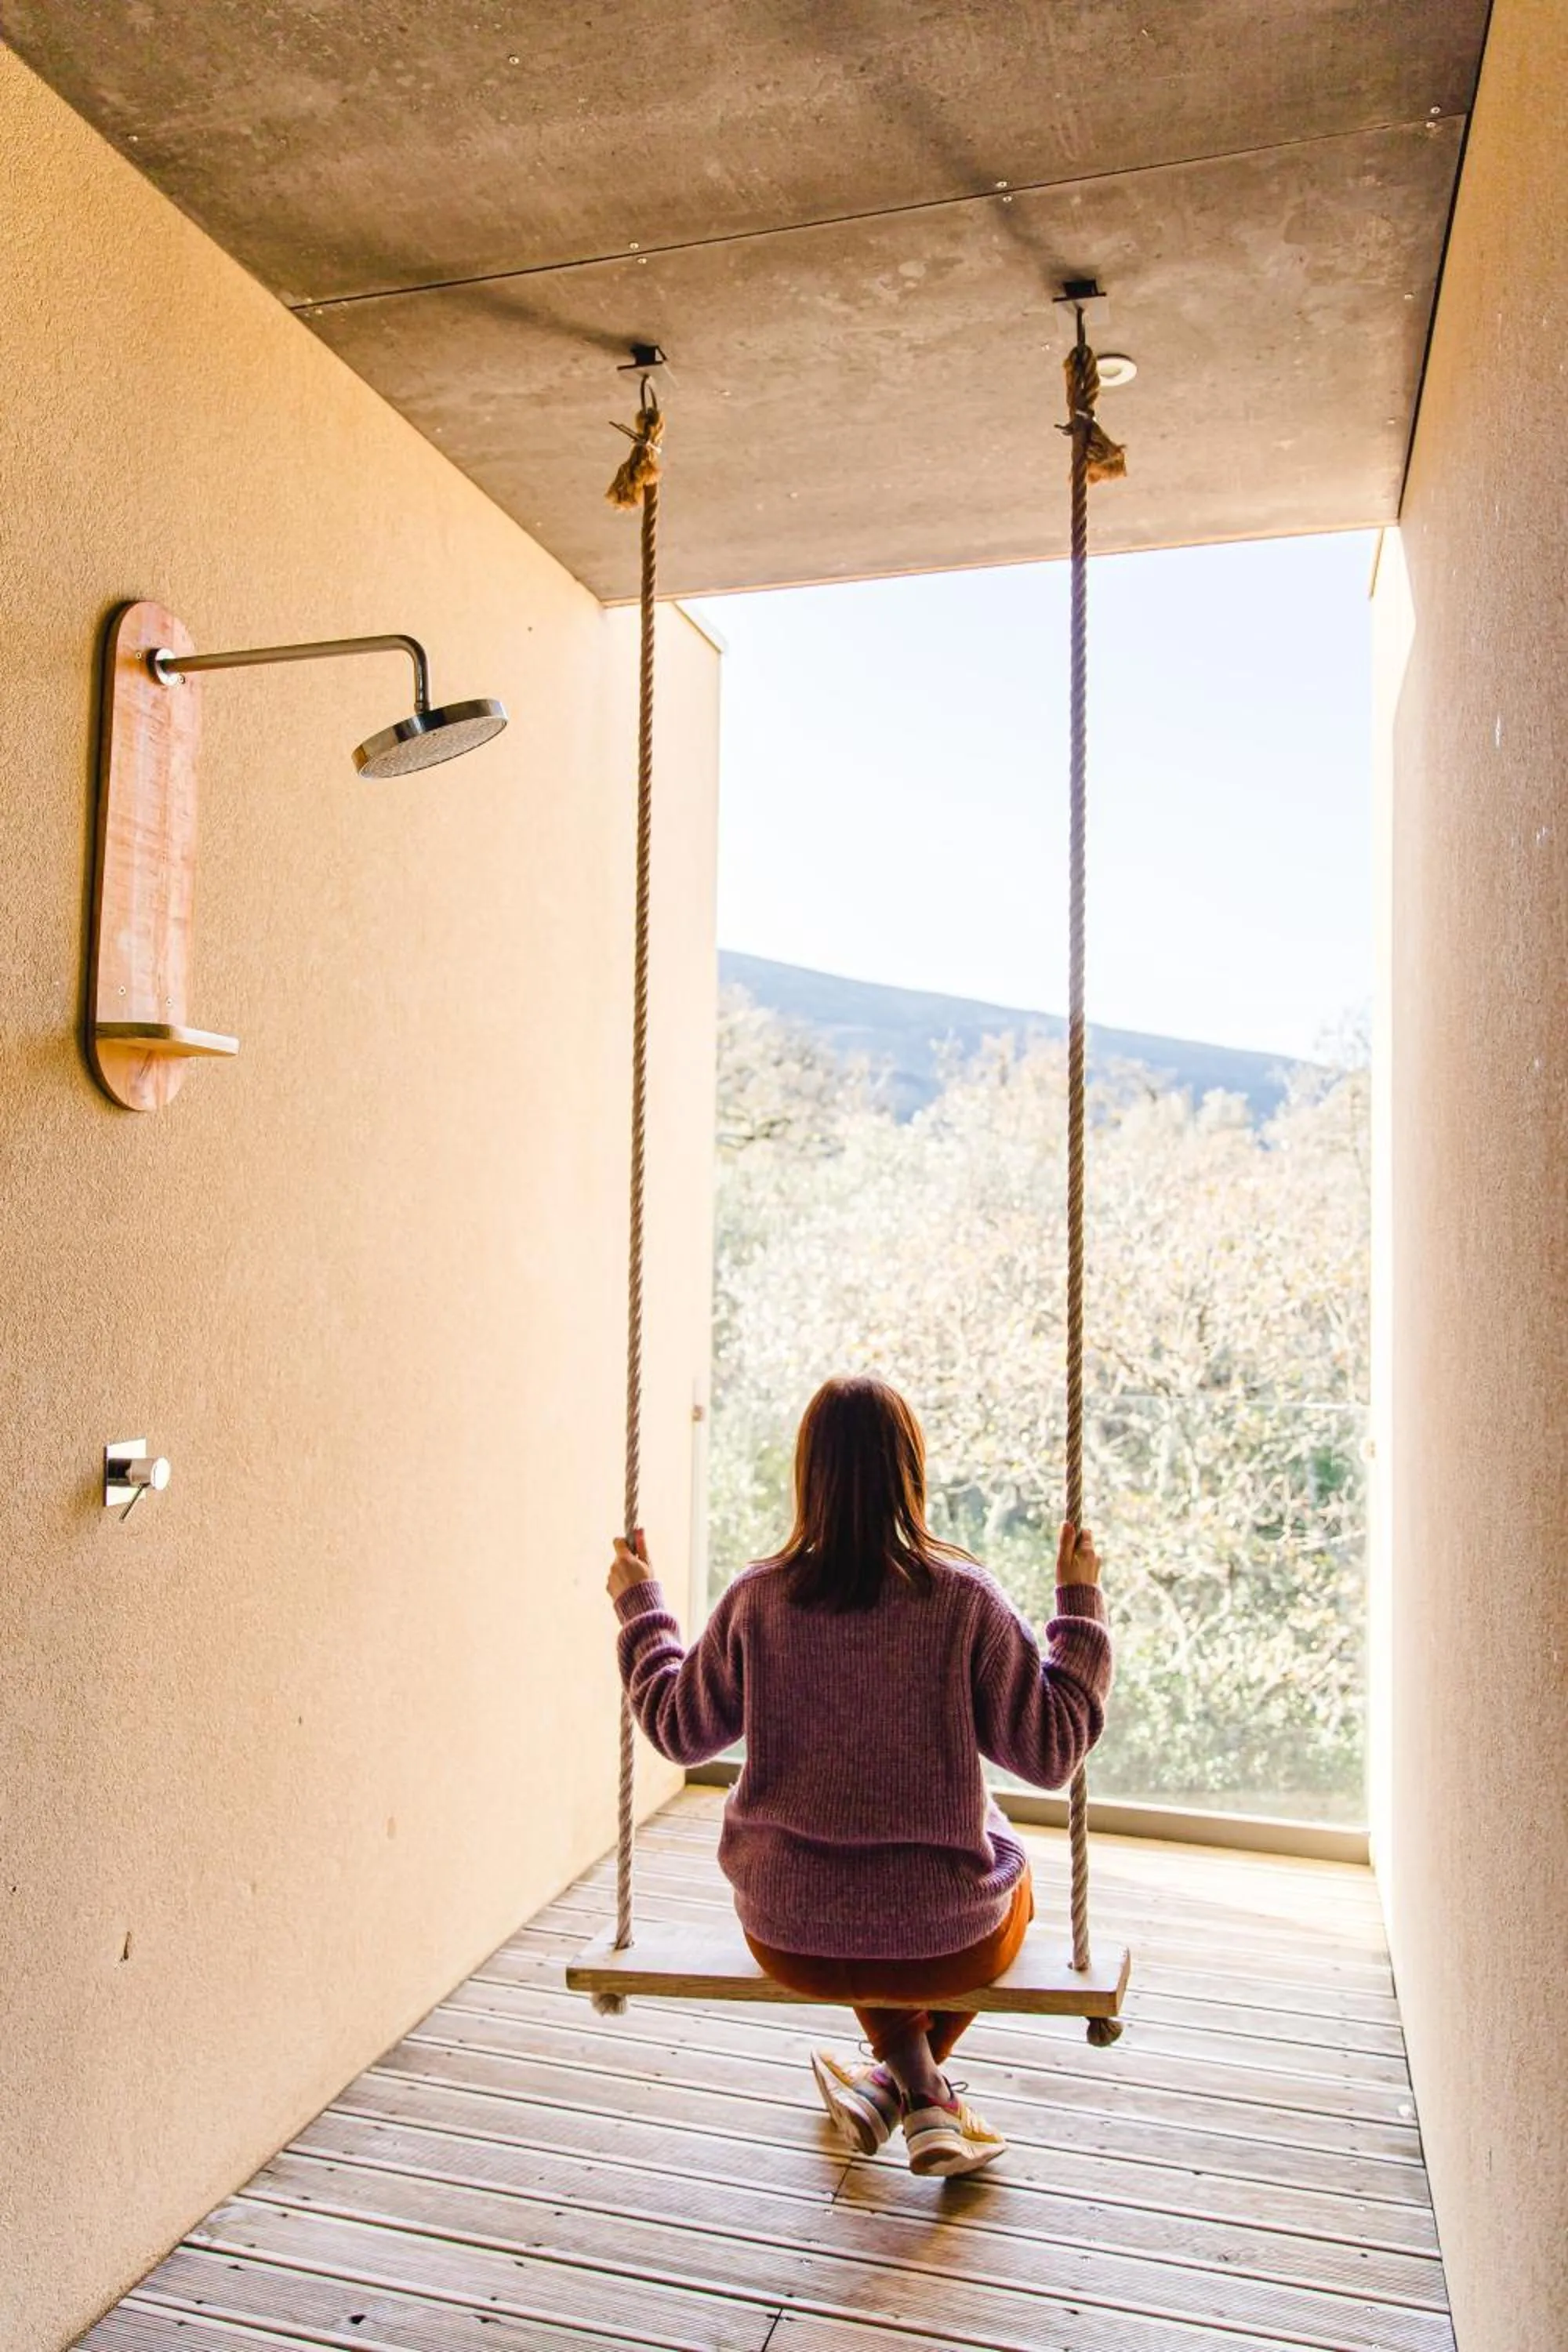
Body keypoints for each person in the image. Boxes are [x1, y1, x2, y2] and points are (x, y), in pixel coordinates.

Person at [607, 1373, 1112, 2177]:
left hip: (788, 1932)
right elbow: (1050, 1752)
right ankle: (921, 2091)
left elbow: (678, 1729)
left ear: (806, 1476)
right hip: (947, 1946)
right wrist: (1079, 1610)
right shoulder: (961, 1600)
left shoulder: (757, 1599)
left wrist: (642, 1612)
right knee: (1006, 1877)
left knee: (863, 1907)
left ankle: (895, 2087)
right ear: (910, 1472)